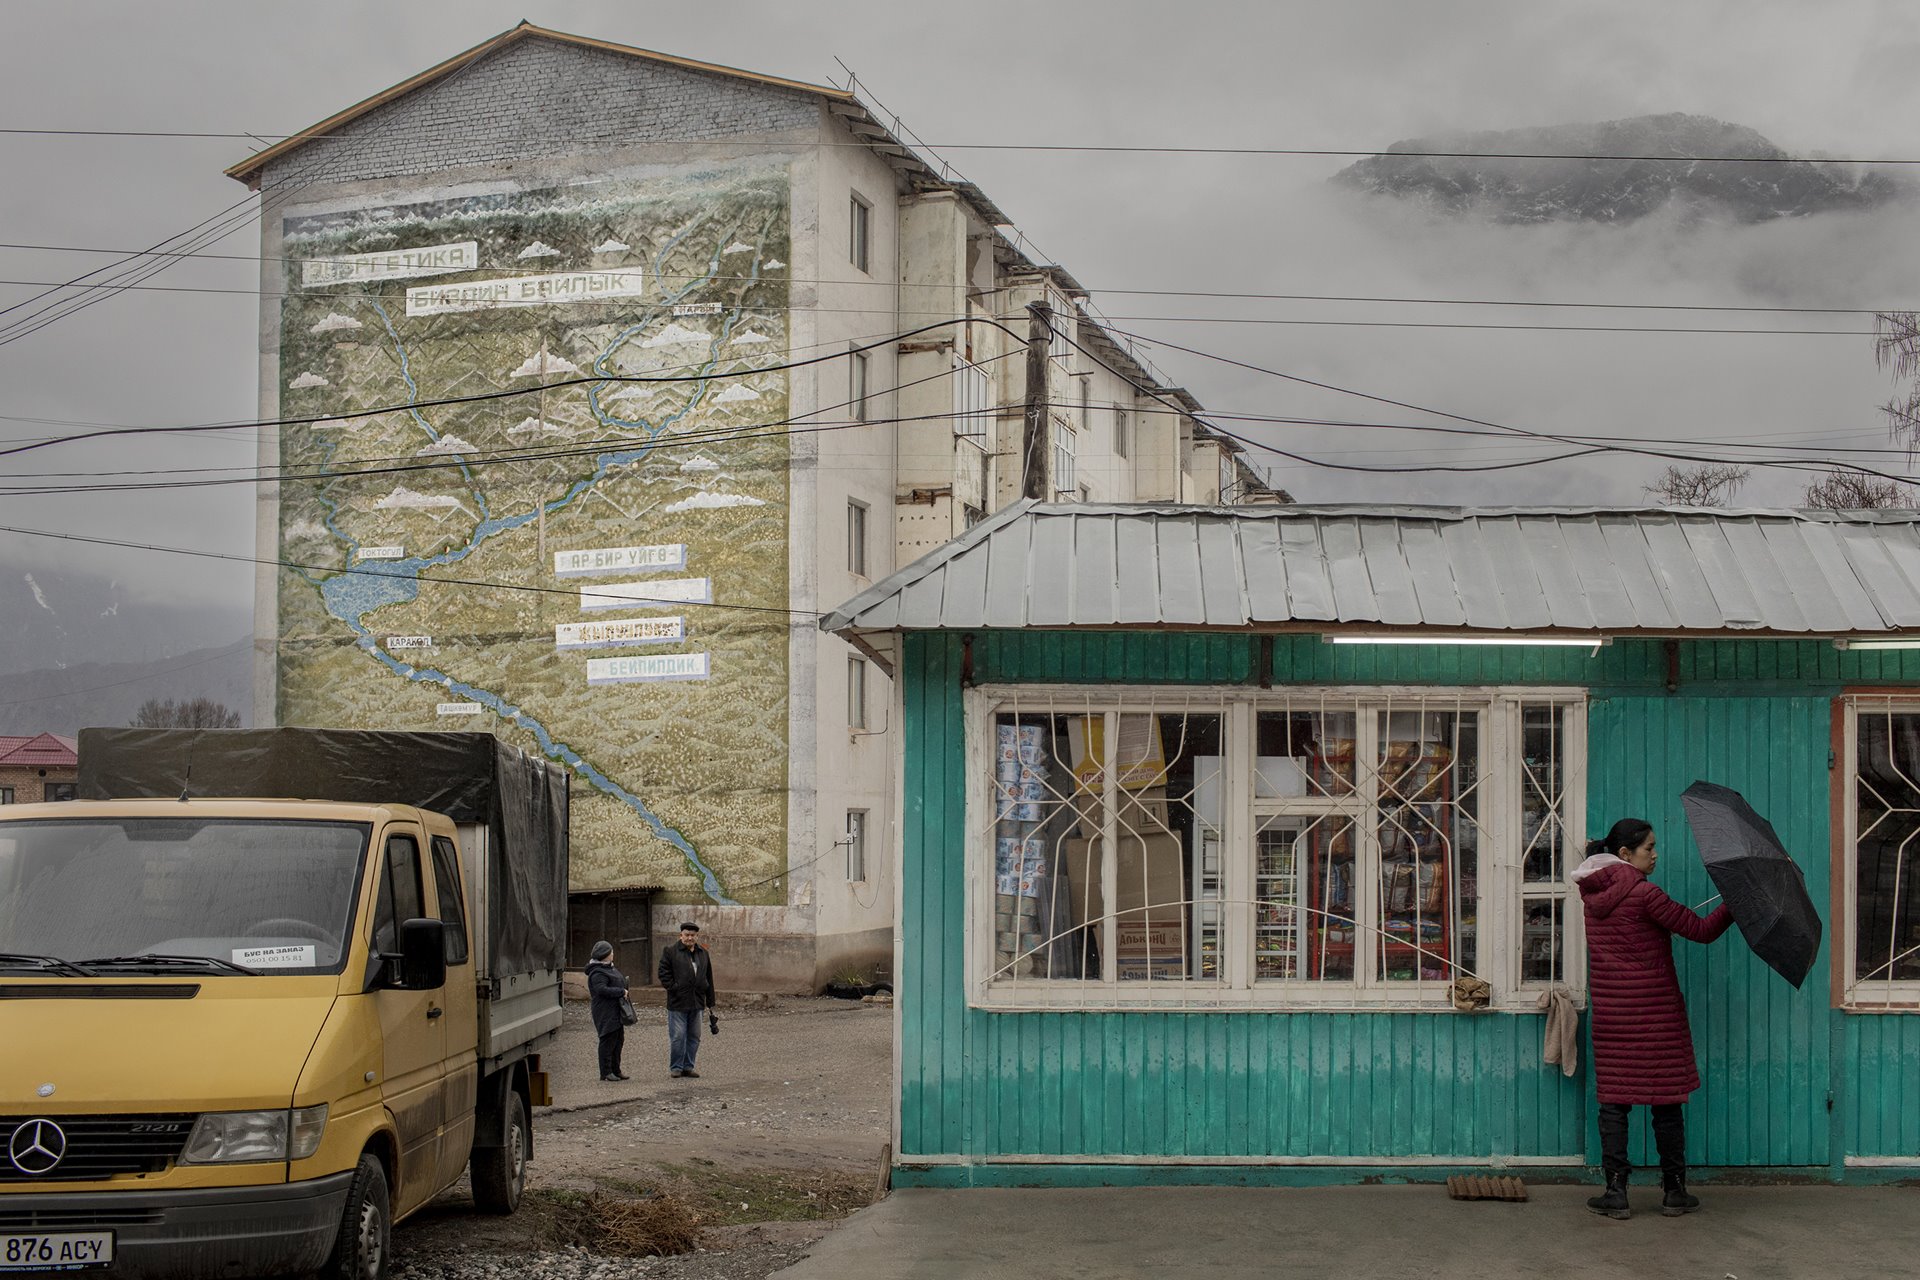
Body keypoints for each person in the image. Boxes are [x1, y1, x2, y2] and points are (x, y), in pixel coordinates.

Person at [1574, 818, 1734, 1220]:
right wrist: (1735, 902)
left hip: (1613, 1016)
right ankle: (1674, 1192)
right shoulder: (1646, 895)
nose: (1656, 854)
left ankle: (1615, 1193)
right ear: (1625, 854)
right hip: (1656, 1016)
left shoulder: (1592, 898)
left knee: (1614, 1102)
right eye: (1649, 847)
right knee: (1665, 1102)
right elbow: (1700, 930)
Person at [658, 921, 716, 1078]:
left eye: (693, 935)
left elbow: (708, 977)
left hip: (697, 1002)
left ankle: (688, 1066)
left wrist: (710, 1002)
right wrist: (674, 987)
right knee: (678, 1036)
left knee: (694, 1037)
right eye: (687, 935)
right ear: (681, 935)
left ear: (697, 936)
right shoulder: (670, 951)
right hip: (678, 1002)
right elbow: (663, 973)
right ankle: (676, 1067)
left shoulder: (703, 953)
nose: (689, 938)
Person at [585, 940, 630, 1083]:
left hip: (616, 1010)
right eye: (610, 952)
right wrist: (620, 991)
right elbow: (601, 990)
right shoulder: (597, 972)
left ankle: (616, 1070)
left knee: (618, 1040)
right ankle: (606, 1072)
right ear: (604, 955)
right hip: (605, 1011)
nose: (612, 954)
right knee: (607, 1040)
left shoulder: (609, 968)